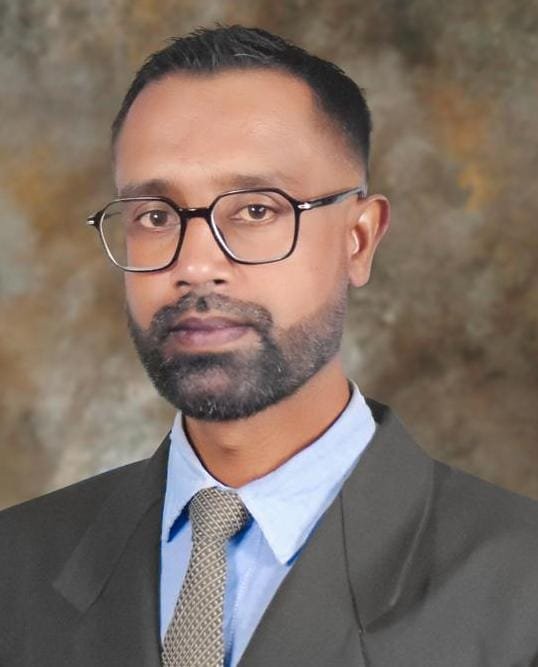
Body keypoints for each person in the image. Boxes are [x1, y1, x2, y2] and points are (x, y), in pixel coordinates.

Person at [1, 24, 537, 667]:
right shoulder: (15, 565)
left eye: (257, 210)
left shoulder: (520, 585)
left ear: (359, 240)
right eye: (155, 216)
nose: (195, 265)